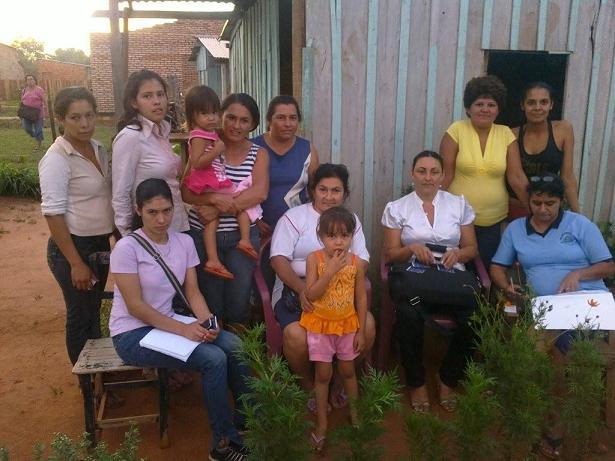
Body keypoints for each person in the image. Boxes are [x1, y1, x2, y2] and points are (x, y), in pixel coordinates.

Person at [110, 178, 250, 461]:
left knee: (234, 345)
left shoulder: (184, 241)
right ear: (139, 211)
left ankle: (248, 420)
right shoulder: (127, 248)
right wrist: (183, 329)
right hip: (133, 333)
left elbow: (193, 292)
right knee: (213, 359)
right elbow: (135, 307)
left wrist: (208, 322)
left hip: (168, 323)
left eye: (166, 210)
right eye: (152, 212)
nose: (161, 219)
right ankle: (223, 444)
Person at [490, 174, 614, 459]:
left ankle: (561, 428)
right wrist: (506, 286)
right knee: (531, 357)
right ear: (529, 201)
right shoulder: (516, 230)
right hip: (545, 309)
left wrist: (578, 274)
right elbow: (497, 266)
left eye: (550, 203)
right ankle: (534, 421)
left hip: (586, 303)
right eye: (537, 203)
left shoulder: (579, 225)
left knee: (569, 357)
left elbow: (608, 266)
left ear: (561, 202)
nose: (543, 209)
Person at [270, 163, 375, 408]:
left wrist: (340, 278)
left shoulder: (350, 221)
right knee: (295, 336)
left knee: (368, 325)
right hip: (297, 289)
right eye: (323, 189)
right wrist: (302, 290)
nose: (329, 196)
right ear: (313, 191)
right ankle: (309, 386)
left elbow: (363, 259)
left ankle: (338, 382)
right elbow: (278, 259)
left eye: (336, 190)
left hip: (342, 292)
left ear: (345, 193)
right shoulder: (294, 218)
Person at [382, 150, 479, 412]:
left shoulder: (458, 205)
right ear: (412, 174)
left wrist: (458, 254)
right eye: (422, 171)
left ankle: (448, 378)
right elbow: (390, 254)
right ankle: (416, 382)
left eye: (434, 172)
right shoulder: (397, 208)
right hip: (415, 280)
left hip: (451, 279)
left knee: (475, 318)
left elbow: (472, 248)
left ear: (443, 175)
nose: (428, 177)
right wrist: (411, 248)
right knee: (408, 315)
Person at [38, 87, 113, 368]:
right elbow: (53, 214)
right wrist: (76, 263)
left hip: (98, 245)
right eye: (75, 117)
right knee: (80, 315)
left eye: (89, 115)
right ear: (61, 119)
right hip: (72, 248)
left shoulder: (98, 148)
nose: (84, 124)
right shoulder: (57, 158)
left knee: (92, 310)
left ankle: (97, 373)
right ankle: (86, 381)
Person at [182, 93, 269, 326]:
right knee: (210, 301)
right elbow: (185, 192)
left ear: (253, 125)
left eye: (244, 120)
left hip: (241, 238)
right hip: (202, 235)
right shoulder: (204, 144)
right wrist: (213, 198)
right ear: (221, 116)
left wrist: (217, 210)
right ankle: (214, 346)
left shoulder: (258, 153)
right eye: (231, 117)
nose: (236, 125)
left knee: (239, 301)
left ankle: (238, 347)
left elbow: (259, 192)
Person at [440, 75, 529, 268]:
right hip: (456, 219)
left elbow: (516, 177)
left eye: (491, 105)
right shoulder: (456, 130)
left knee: (487, 272)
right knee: (454, 269)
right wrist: (428, 207)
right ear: (468, 108)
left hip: (492, 220)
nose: (485, 109)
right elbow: (445, 174)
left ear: (498, 109)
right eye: (479, 104)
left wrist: (534, 210)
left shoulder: (506, 134)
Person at [303, 206, 367, 451]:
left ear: (352, 236)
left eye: (344, 236)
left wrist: (361, 330)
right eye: (332, 236)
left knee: (349, 371)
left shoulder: (356, 263)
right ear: (321, 237)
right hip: (320, 327)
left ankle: (356, 416)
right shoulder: (314, 259)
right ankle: (321, 424)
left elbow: (361, 297)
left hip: (347, 325)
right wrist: (329, 271)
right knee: (323, 375)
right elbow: (311, 294)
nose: (338, 242)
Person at [252, 95, 320, 292]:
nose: (288, 123)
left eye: (293, 118)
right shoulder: (253, 147)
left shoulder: (307, 150)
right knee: (260, 284)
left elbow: (316, 190)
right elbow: (241, 187)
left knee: (291, 282)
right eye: (281, 117)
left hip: (296, 231)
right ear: (269, 120)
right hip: (259, 229)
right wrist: (254, 218)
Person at [112, 69, 189, 237]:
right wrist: (128, 236)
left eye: (160, 94)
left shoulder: (161, 133)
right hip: (149, 233)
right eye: (147, 96)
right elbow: (120, 193)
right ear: (134, 102)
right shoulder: (131, 137)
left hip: (176, 225)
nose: (157, 101)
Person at [509, 81, 580, 217]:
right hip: (517, 205)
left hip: (549, 207)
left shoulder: (563, 130)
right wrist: (535, 211)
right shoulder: (512, 135)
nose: (538, 107)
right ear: (522, 105)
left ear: (551, 104)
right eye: (531, 103)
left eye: (543, 102)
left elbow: (567, 176)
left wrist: (579, 217)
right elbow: (516, 177)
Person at [20, 74, 47, 149]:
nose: (30, 81)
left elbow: (45, 101)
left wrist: (46, 111)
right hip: (27, 113)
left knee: (38, 130)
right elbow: (22, 100)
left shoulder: (39, 90)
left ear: (35, 80)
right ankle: (35, 135)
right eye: (28, 79)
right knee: (26, 128)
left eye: (31, 79)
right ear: (26, 81)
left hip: (38, 113)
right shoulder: (24, 90)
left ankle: (38, 144)